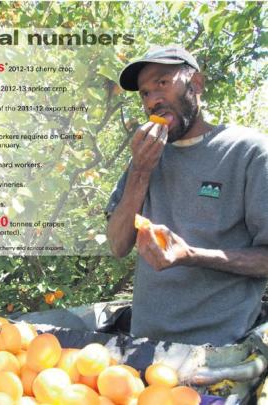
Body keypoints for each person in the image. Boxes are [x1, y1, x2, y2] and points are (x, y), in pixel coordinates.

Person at [105, 45, 268, 346]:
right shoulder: (146, 158)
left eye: (162, 84)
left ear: (196, 84)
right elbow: (117, 245)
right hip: (144, 349)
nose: (153, 100)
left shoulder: (248, 152)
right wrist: (140, 172)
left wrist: (192, 256)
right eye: (144, 93)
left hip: (220, 351)